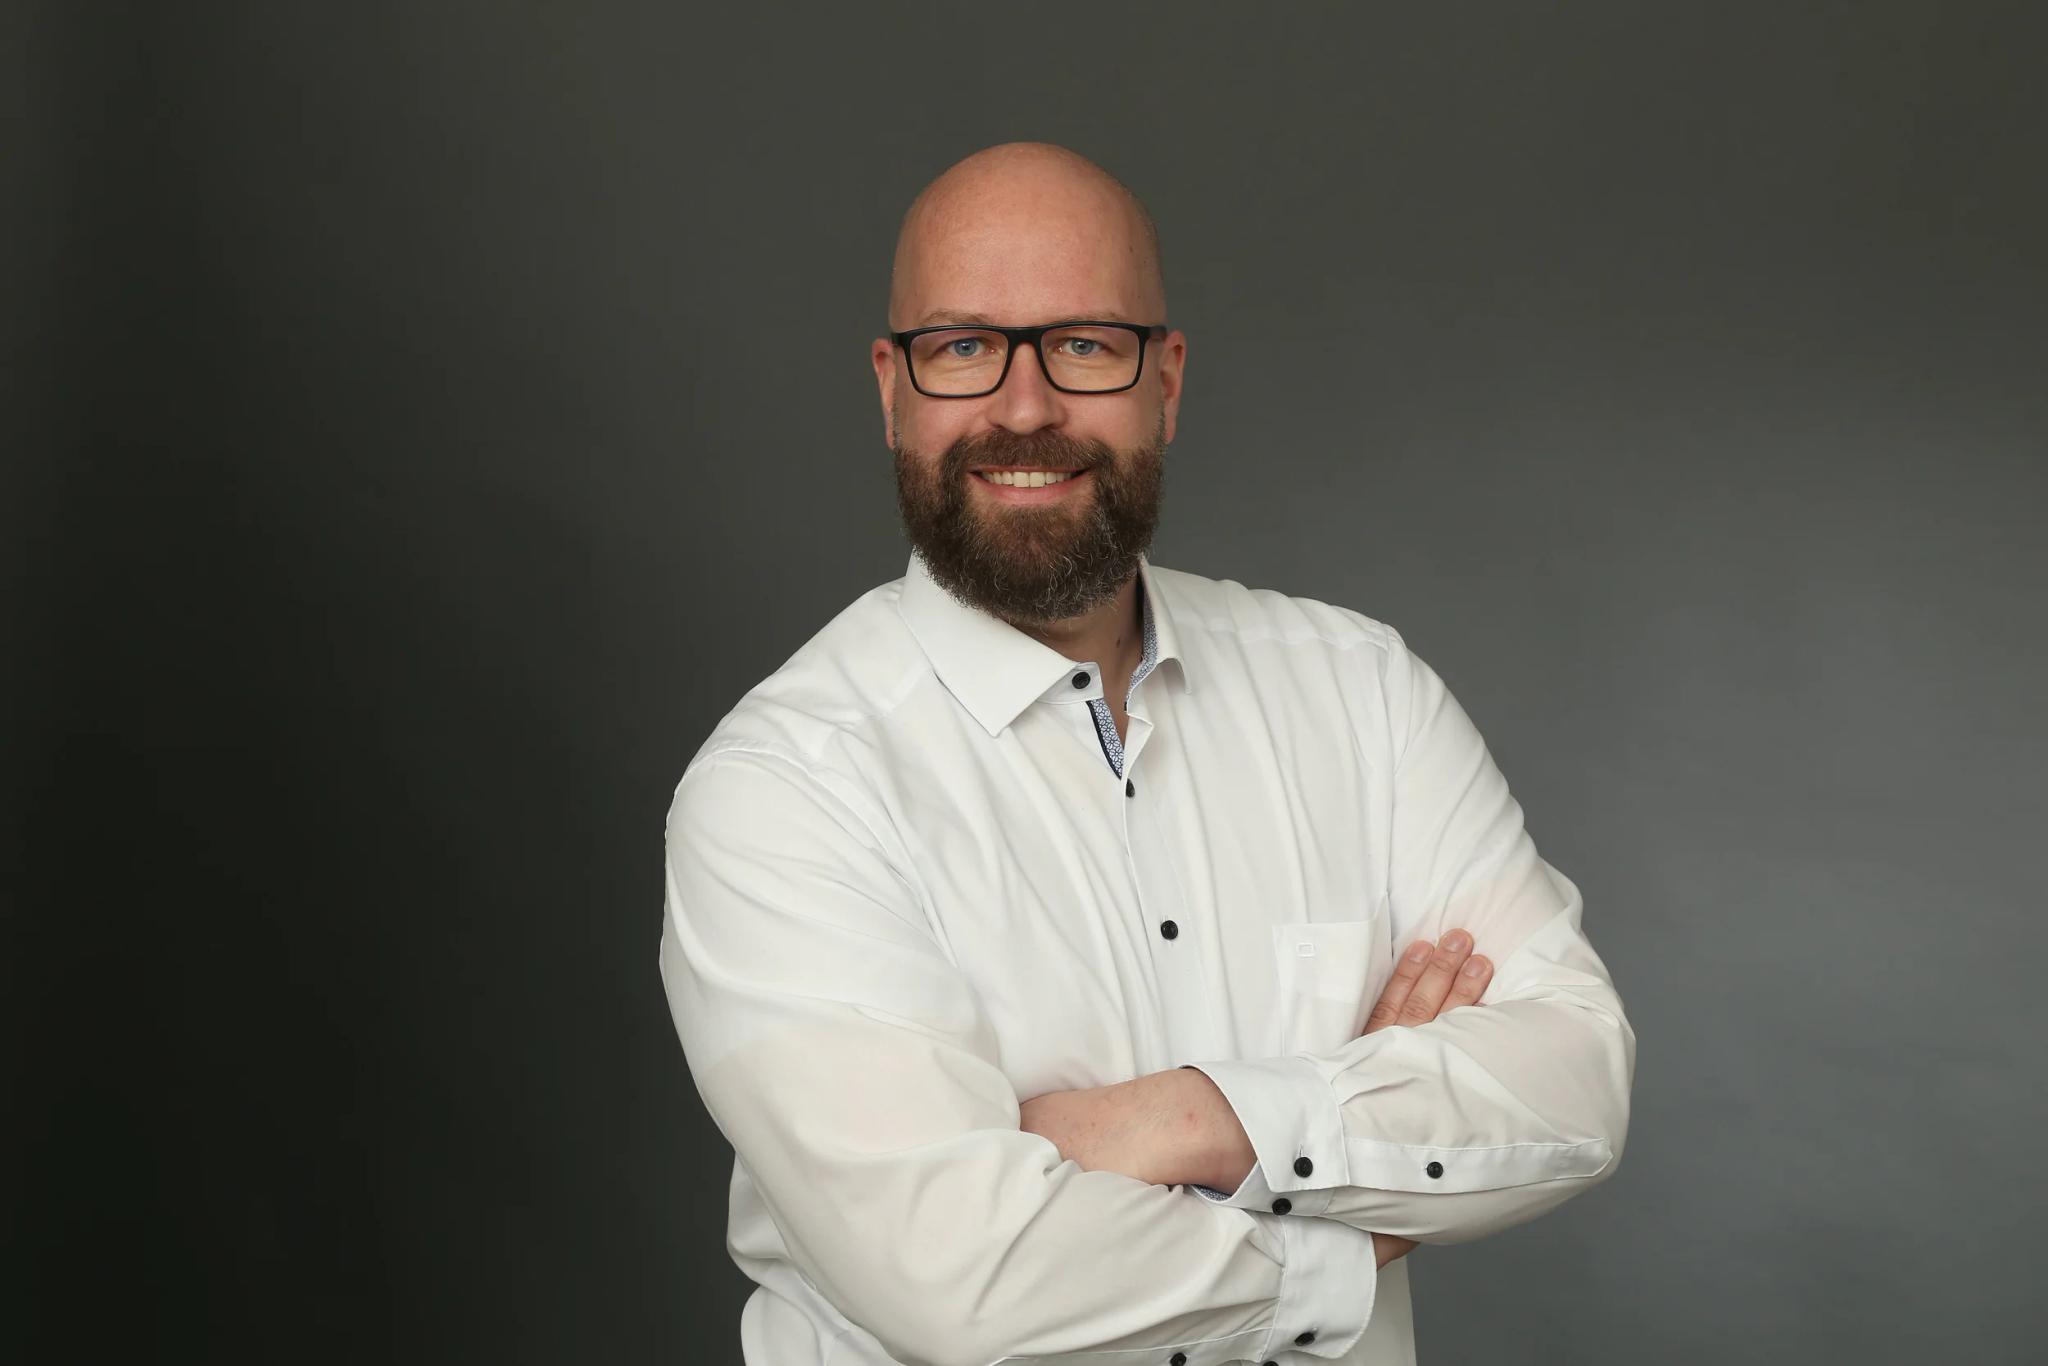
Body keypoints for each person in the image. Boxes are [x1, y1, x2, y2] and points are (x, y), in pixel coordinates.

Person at [658, 140, 1635, 1366]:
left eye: (1083, 343)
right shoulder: (784, 788)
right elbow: (967, 1283)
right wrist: (1347, 1199)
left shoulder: (1360, 692)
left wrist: (1187, 1121)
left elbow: (1575, 1084)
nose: (1024, 407)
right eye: (963, 346)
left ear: (1164, 379)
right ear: (890, 387)